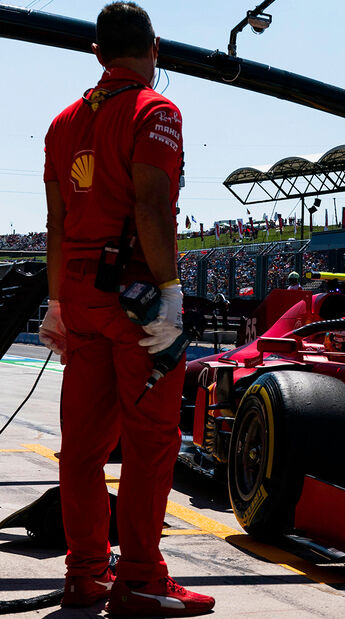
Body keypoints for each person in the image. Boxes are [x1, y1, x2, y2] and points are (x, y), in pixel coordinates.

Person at [38, 3, 214, 614]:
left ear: (96, 54)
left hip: (80, 300)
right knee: (149, 442)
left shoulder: (61, 123)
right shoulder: (156, 111)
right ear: (155, 48)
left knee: (81, 450)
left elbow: (58, 221)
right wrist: (169, 292)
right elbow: (151, 204)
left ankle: (85, 573)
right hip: (135, 299)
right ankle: (140, 577)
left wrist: (57, 304)